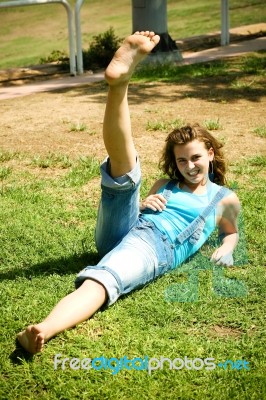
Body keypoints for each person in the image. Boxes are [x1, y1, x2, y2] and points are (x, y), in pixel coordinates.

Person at [17, 31, 240, 354]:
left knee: (105, 279)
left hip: (155, 246)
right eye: (181, 160)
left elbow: (229, 233)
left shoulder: (224, 198)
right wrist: (147, 201)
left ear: (210, 153)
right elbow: (136, 215)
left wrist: (228, 249)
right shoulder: (165, 184)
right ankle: (119, 83)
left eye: (195, 158)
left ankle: (45, 329)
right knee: (126, 173)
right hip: (130, 228)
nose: (189, 166)